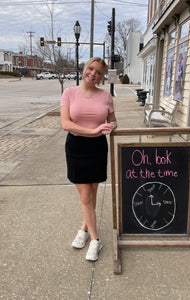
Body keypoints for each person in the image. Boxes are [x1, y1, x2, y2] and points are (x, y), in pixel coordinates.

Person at [60, 57, 117, 261]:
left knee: (91, 195)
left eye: (99, 72)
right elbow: (66, 124)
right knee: (85, 197)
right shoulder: (69, 93)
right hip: (77, 148)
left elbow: (113, 121)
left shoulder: (106, 96)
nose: (93, 74)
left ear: (102, 77)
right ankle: (95, 240)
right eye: (90, 69)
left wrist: (110, 127)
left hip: (97, 149)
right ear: (84, 69)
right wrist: (93, 131)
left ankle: (83, 229)